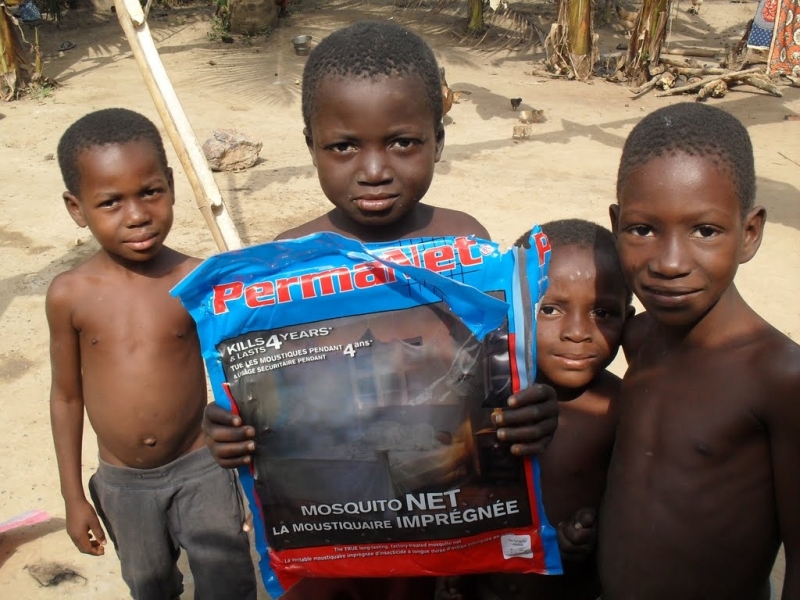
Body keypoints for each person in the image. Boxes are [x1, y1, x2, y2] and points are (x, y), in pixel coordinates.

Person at [201, 21, 559, 599]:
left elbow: (491, 376)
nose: (373, 170)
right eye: (343, 146)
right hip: (329, 542)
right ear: (310, 144)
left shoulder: (466, 246)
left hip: (438, 519)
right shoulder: (284, 266)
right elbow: (263, 396)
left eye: (403, 142)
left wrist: (529, 411)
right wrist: (227, 430)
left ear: (438, 139)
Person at [48, 108, 257, 600]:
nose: (137, 215)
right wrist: (73, 496)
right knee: (150, 585)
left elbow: (243, 373)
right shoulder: (70, 295)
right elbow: (65, 397)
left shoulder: (198, 280)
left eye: (150, 192)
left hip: (203, 467)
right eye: (110, 202)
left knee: (228, 583)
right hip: (124, 484)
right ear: (77, 208)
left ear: (171, 186)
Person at [599, 102, 800, 600]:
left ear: (749, 233)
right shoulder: (638, 338)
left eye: (705, 231)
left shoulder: (779, 377)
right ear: (616, 225)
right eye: (642, 230)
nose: (669, 263)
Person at [437, 219, 633, 600]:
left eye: (603, 313)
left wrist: (586, 538)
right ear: (513, 308)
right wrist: (452, 567)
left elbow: (633, 511)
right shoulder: (480, 394)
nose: (577, 332)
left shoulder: (618, 409)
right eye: (551, 309)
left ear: (629, 319)